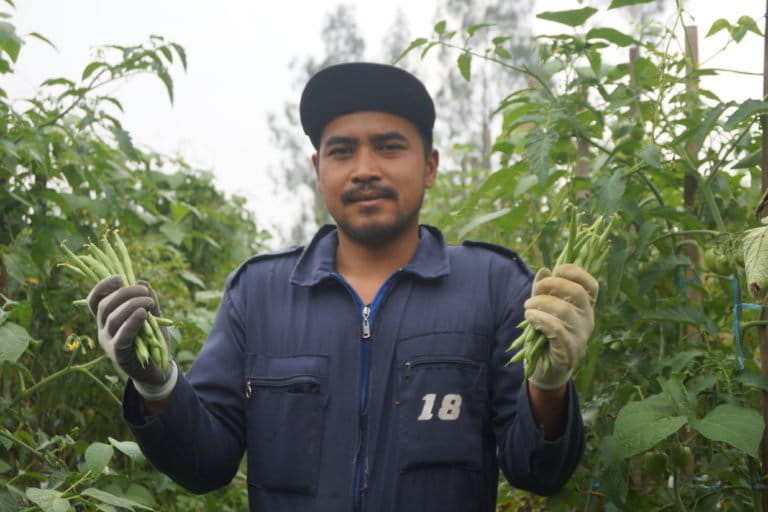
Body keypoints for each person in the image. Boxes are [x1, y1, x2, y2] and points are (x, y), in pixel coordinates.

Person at [87, 62, 597, 512]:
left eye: (389, 147)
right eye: (342, 151)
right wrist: (158, 386)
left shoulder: (492, 285)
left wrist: (548, 386)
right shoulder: (259, 294)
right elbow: (205, 464)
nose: (365, 169)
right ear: (318, 169)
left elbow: (538, 473)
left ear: (430, 166)